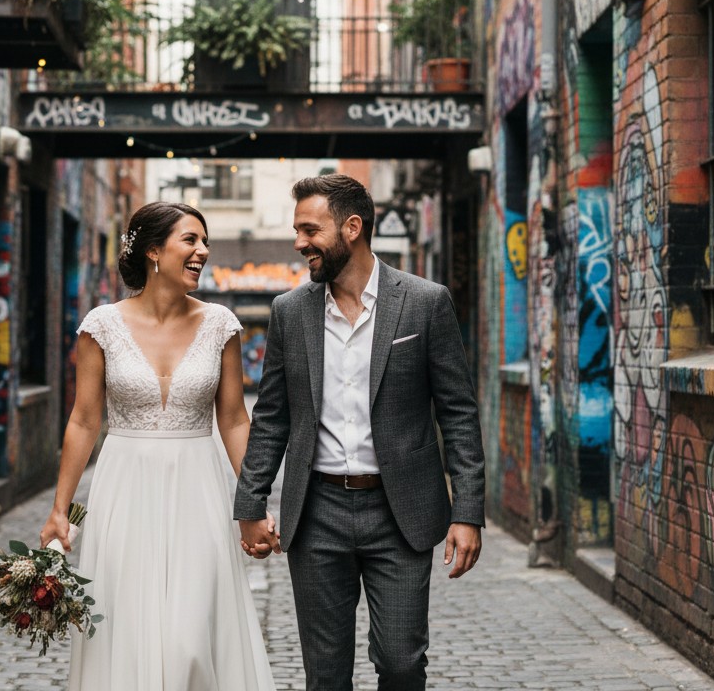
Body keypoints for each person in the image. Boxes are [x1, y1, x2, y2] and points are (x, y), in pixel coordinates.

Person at [235, 174, 485, 691]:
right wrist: (250, 503)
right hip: (317, 510)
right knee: (325, 675)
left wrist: (467, 511)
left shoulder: (424, 302)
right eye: (297, 229)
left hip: (401, 512)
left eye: (310, 229)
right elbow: (273, 416)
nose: (300, 242)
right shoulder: (290, 312)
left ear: (352, 228)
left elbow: (457, 412)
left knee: (400, 662)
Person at [39, 201, 277, 691]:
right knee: (126, 629)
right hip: (126, 489)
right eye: (190, 240)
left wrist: (254, 502)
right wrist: (60, 508)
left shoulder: (221, 325)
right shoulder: (100, 326)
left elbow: (233, 421)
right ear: (153, 251)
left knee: (190, 640)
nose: (203, 251)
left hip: (199, 490)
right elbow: (85, 420)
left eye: (204, 242)